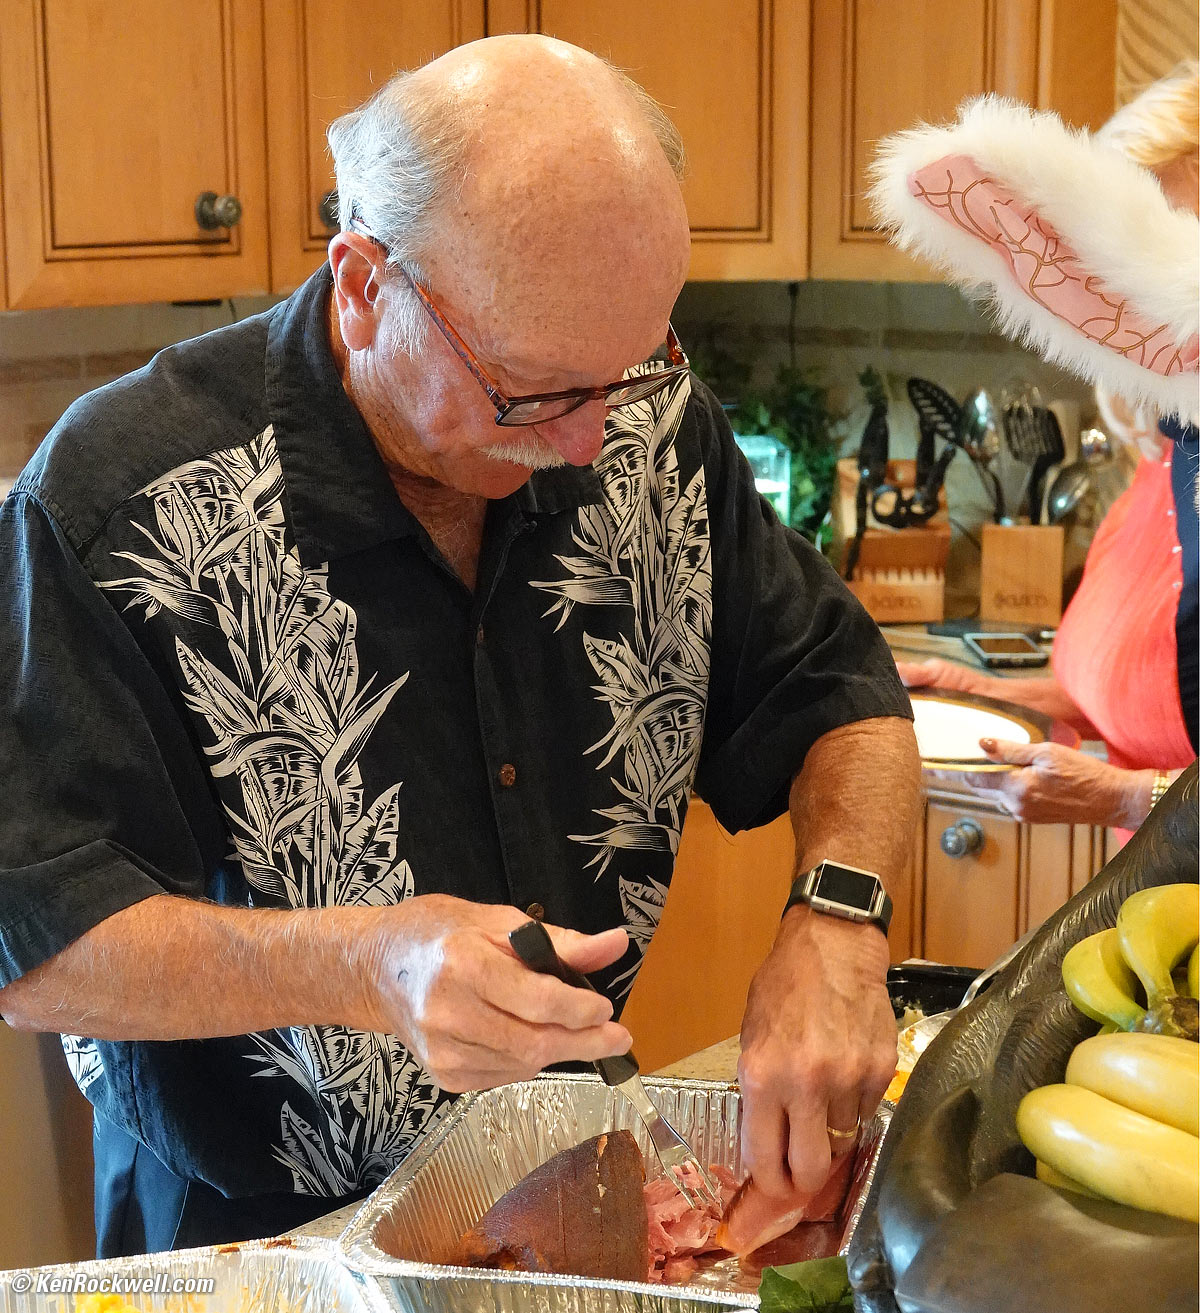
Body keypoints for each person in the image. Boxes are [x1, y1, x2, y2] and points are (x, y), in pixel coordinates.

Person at [0, 37, 920, 1256]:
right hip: (259, 1238)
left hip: (574, 1188)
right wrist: (368, 962)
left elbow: (838, 690)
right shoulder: (119, 504)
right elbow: (40, 936)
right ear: (363, 284)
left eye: (634, 365)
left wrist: (838, 922)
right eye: (532, 392)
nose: (591, 442)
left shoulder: (640, 425)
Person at [873, 66, 1199, 832]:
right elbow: (1142, 697)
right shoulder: (1168, 456)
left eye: (1161, 229)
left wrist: (1126, 796)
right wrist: (987, 694)